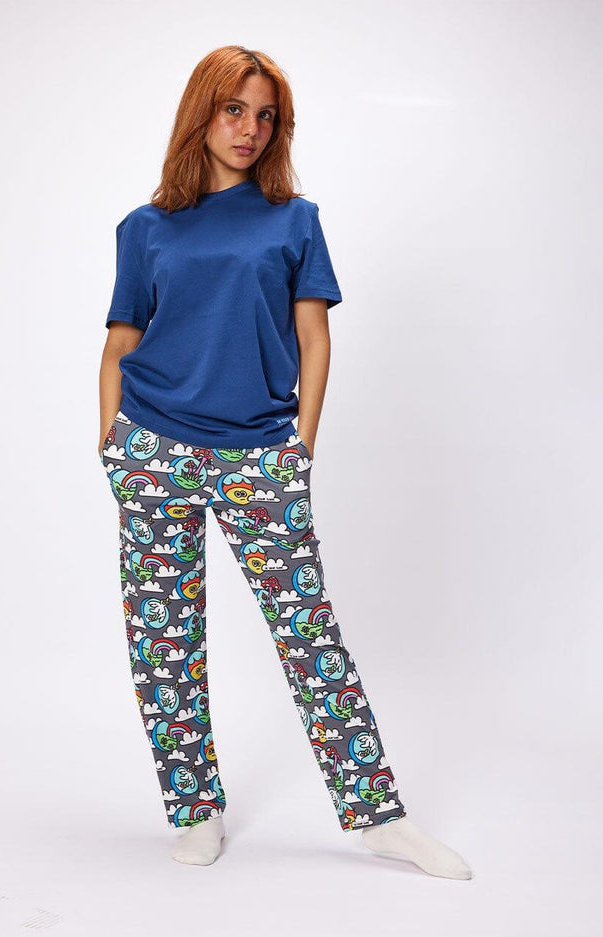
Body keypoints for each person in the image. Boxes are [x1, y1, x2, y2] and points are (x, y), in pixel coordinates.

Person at [97, 45, 472, 879]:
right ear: (202, 112)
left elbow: (314, 336)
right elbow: (121, 340)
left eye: (266, 116)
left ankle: (379, 816)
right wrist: (111, 444)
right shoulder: (144, 228)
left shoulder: (294, 220)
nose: (251, 129)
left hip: (259, 454)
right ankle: (195, 809)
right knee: (164, 642)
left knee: (310, 637)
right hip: (154, 449)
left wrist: (300, 443)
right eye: (235, 109)